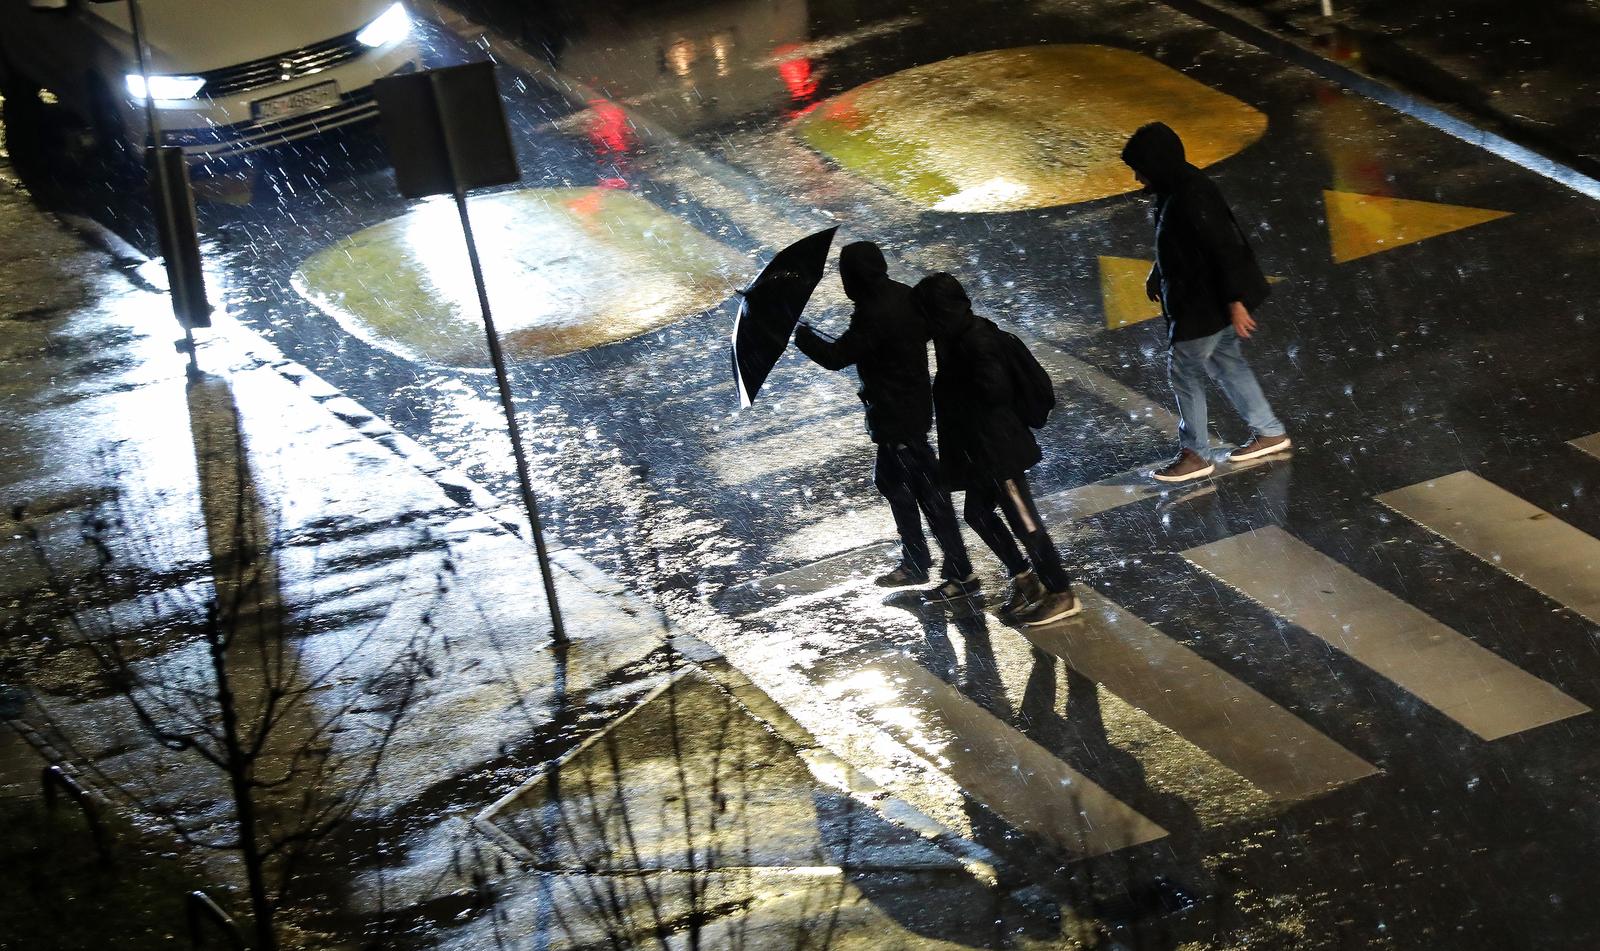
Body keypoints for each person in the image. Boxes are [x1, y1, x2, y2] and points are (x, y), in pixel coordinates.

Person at [794, 241, 979, 601]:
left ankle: (956, 569)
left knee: (929, 494)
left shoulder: (872, 312)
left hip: (897, 417)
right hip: (910, 408)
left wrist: (803, 336)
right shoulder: (902, 295)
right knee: (895, 482)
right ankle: (918, 560)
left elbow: (836, 356)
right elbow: (910, 336)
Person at [1120, 121, 1291, 484]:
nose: (1138, 179)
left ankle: (1196, 455)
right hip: (1206, 299)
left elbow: (1223, 249)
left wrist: (1235, 301)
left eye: (1141, 170)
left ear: (1157, 166)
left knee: (1184, 373)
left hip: (1202, 305)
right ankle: (1269, 431)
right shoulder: (1177, 187)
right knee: (1227, 362)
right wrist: (1158, 270)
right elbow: (1183, 243)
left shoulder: (1189, 196)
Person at [910, 272, 1081, 625]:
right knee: (977, 513)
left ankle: (1061, 592)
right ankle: (1024, 579)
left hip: (1000, 452)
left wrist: (956, 386)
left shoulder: (976, 341)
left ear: (939, 311)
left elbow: (995, 391)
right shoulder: (952, 338)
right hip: (979, 452)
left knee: (1025, 521)